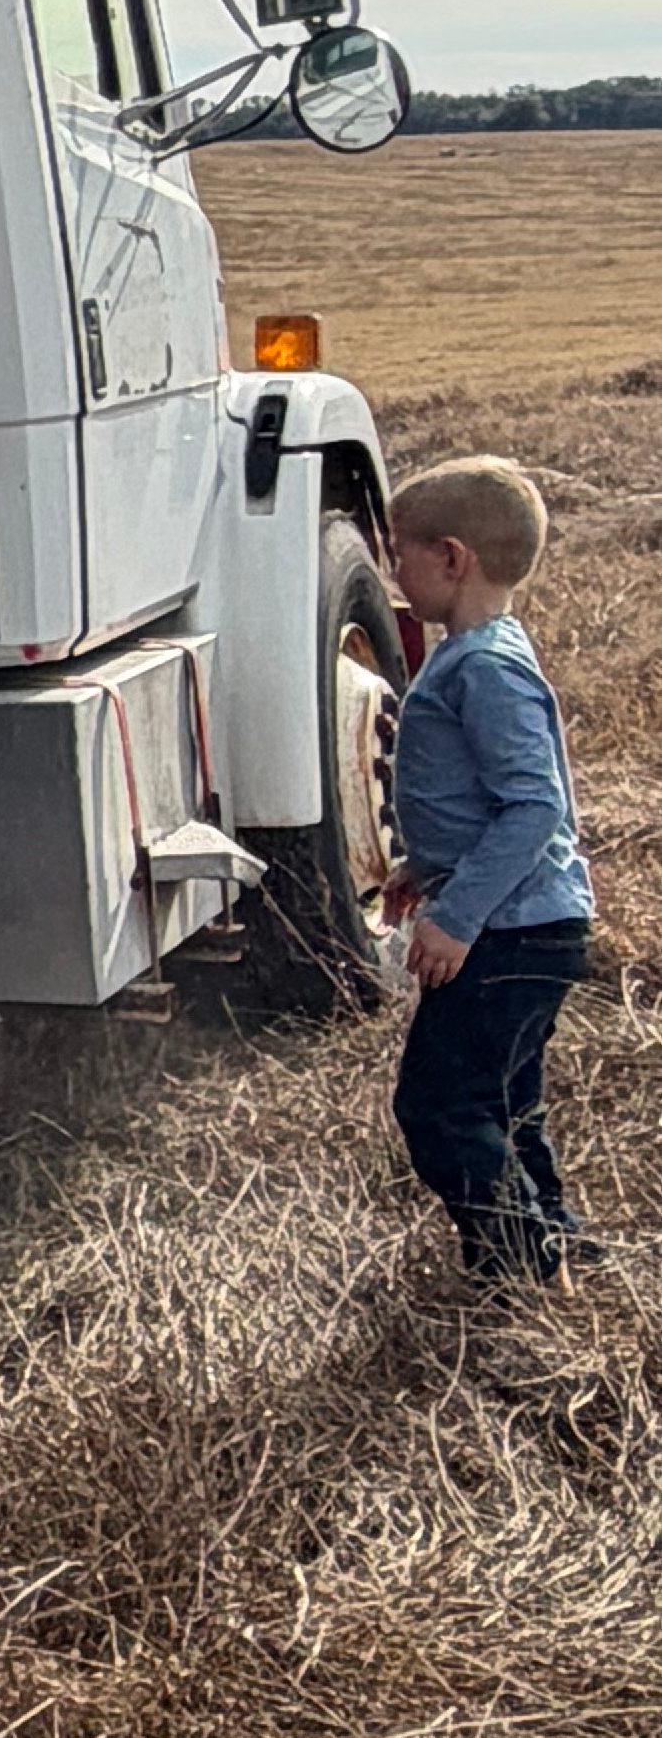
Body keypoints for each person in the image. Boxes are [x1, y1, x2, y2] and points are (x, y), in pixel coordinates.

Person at [379, 456, 596, 1287]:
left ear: (453, 558)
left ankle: (515, 1265)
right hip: (520, 920)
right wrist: (424, 870)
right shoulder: (477, 654)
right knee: (508, 1102)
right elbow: (483, 802)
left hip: (509, 932)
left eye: (401, 554)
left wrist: (457, 915)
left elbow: (534, 807)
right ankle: (555, 1246)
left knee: (440, 1107)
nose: (393, 573)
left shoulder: (484, 669)